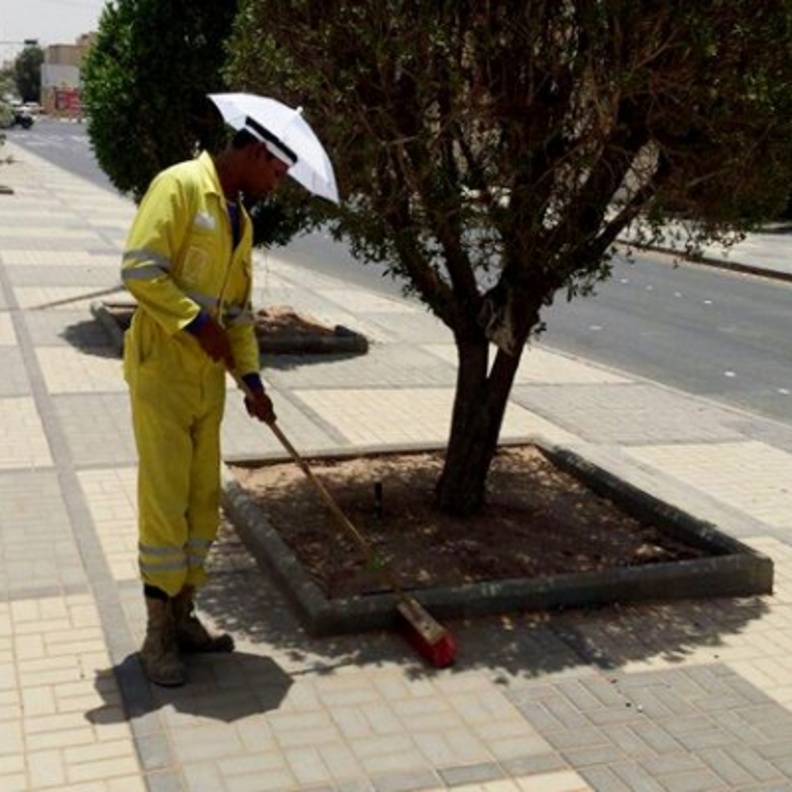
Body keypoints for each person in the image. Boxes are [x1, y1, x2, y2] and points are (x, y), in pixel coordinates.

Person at [122, 119, 293, 686]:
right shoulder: (178, 187)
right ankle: (157, 634)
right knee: (165, 500)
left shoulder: (239, 220)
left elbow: (239, 314)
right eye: (276, 168)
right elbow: (140, 269)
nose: (277, 182)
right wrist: (195, 322)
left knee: (201, 503)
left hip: (208, 383)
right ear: (254, 150)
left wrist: (254, 380)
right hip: (163, 372)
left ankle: (183, 613)